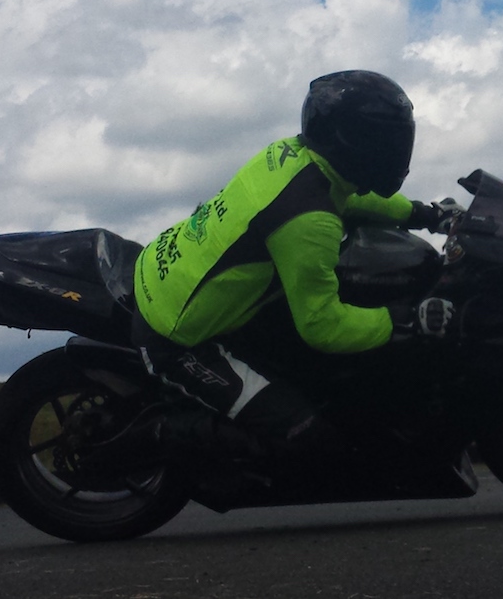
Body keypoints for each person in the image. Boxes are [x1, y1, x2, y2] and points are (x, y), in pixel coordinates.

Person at [119, 69, 457, 479]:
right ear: (355, 142)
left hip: (171, 272)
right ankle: (155, 434)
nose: (397, 151)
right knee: (305, 436)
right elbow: (323, 326)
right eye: (387, 141)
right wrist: (407, 321)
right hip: (178, 337)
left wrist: (425, 214)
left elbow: (349, 197)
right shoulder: (309, 221)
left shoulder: (293, 156)